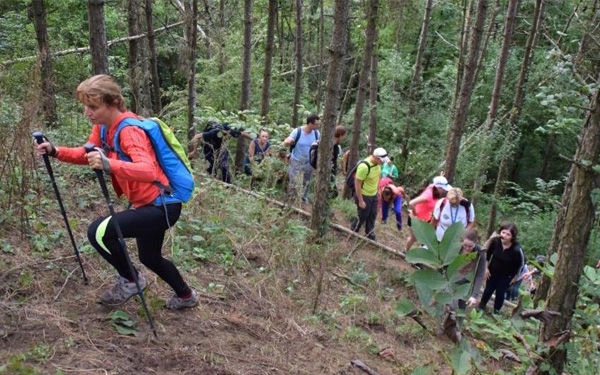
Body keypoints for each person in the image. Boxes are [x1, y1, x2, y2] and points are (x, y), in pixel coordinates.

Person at [35, 75, 198, 309]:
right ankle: (186, 296)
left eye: (93, 107)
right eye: (85, 106)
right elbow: (88, 152)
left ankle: (131, 280)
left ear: (112, 104)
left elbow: (147, 170)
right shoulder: (103, 128)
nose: (86, 112)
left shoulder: (129, 130)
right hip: (149, 204)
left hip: (162, 205)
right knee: (150, 257)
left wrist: (109, 164)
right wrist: (54, 150)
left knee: (98, 232)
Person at [477, 222, 525, 314]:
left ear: (512, 237)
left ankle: (496, 311)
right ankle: (481, 306)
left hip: (506, 276)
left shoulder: (516, 249)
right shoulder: (495, 242)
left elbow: (521, 265)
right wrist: (486, 268)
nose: (505, 236)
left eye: (508, 234)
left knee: (500, 293)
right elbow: (487, 255)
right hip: (492, 271)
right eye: (503, 233)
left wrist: (515, 278)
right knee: (488, 289)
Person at [350, 148, 389, 240]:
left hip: (373, 194)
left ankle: (370, 233)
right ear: (376, 158)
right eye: (382, 161)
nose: (383, 163)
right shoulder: (364, 166)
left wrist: (378, 190)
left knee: (372, 214)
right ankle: (354, 229)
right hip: (364, 194)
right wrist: (360, 200)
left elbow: (378, 176)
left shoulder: (378, 165)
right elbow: (357, 183)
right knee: (363, 214)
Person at [405, 175, 451, 251]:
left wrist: (441, 176)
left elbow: (435, 182)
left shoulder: (433, 187)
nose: (444, 191)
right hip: (415, 220)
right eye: (443, 189)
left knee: (420, 238)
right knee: (413, 238)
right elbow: (411, 203)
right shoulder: (428, 195)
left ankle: (414, 254)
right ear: (438, 188)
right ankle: (406, 252)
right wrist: (415, 212)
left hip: (425, 220)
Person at [283, 114, 321, 203]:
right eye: (316, 124)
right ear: (310, 124)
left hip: (309, 162)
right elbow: (288, 141)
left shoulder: (316, 133)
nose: (317, 126)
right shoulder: (297, 132)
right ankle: (291, 199)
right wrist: (288, 142)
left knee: (306, 181)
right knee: (293, 181)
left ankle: (303, 198)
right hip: (296, 160)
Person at [456, 229, 487, 310]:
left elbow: (479, 275)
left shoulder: (480, 253)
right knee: (448, 306)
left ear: (475, 243)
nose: (467, 248)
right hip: (452, 279)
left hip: (466, 283)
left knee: (461, 308)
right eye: (465, 245)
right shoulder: (456, 247)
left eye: (470, 246)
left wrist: (474, 295)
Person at [328, 125, 347, 198]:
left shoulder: (336, 145)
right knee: (333, 192)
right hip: (329, 171)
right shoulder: (331, 144)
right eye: (344, 135)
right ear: (340, 135)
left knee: (332, 191)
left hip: (332, 170)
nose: (344, 137)